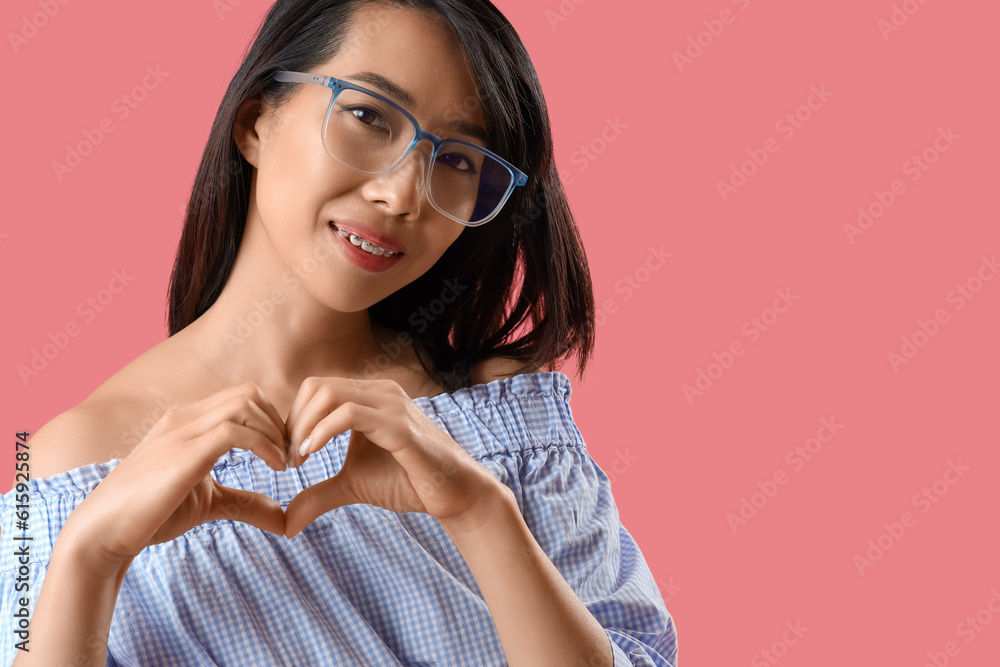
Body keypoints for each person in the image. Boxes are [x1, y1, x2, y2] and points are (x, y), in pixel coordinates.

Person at [0, 0, 678, 664]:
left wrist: (477, 511)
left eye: (459, 160)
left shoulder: (503, 423)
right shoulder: (58, 466)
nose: (403, 193)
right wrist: (90, 559)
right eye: (367, 116)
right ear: (256, 120)